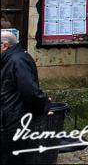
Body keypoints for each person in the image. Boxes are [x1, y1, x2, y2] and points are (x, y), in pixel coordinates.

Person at [1, 28, 50, 163]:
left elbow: (30, 91)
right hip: (9, 116)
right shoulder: (9, 58)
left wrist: (44, 105)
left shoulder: (18, 61)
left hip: (15, 119)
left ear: (5, 46)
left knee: (13, 157)